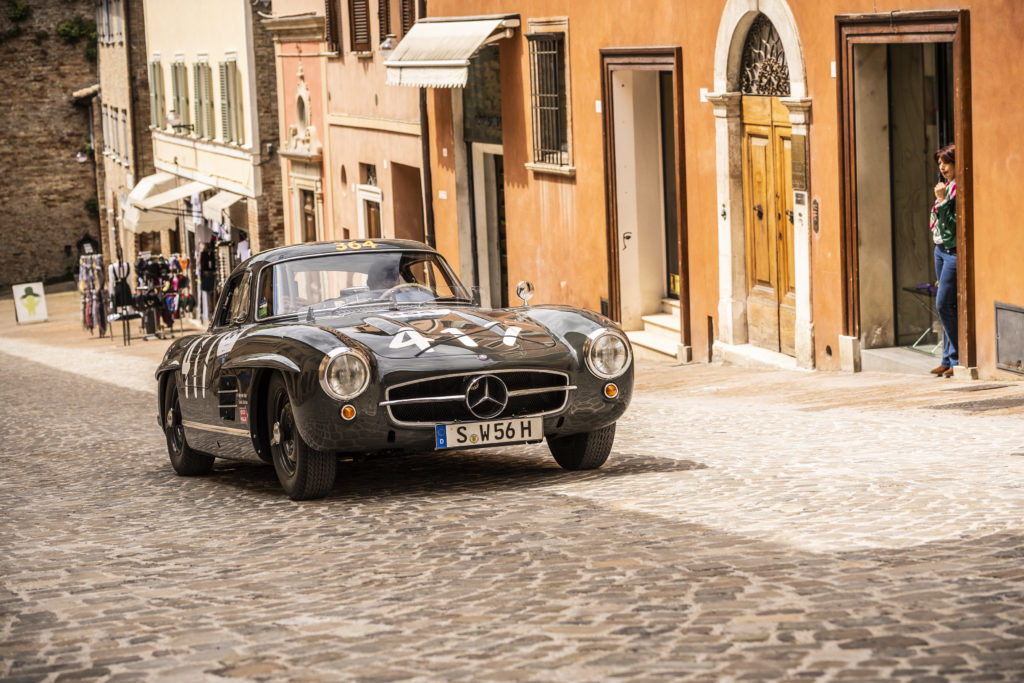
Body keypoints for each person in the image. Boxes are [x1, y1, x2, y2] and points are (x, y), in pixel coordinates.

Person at [929, 144, 958, 378]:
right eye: (940, 164)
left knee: (943, 304)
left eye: (946, 163)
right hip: (940, 250)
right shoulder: (947, 187)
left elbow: (953, 225)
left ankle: (957, 358)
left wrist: (942, 201)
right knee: (947, 306)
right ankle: (947, 359)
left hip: (951, 252)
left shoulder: (958, 189)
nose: (942, 168)